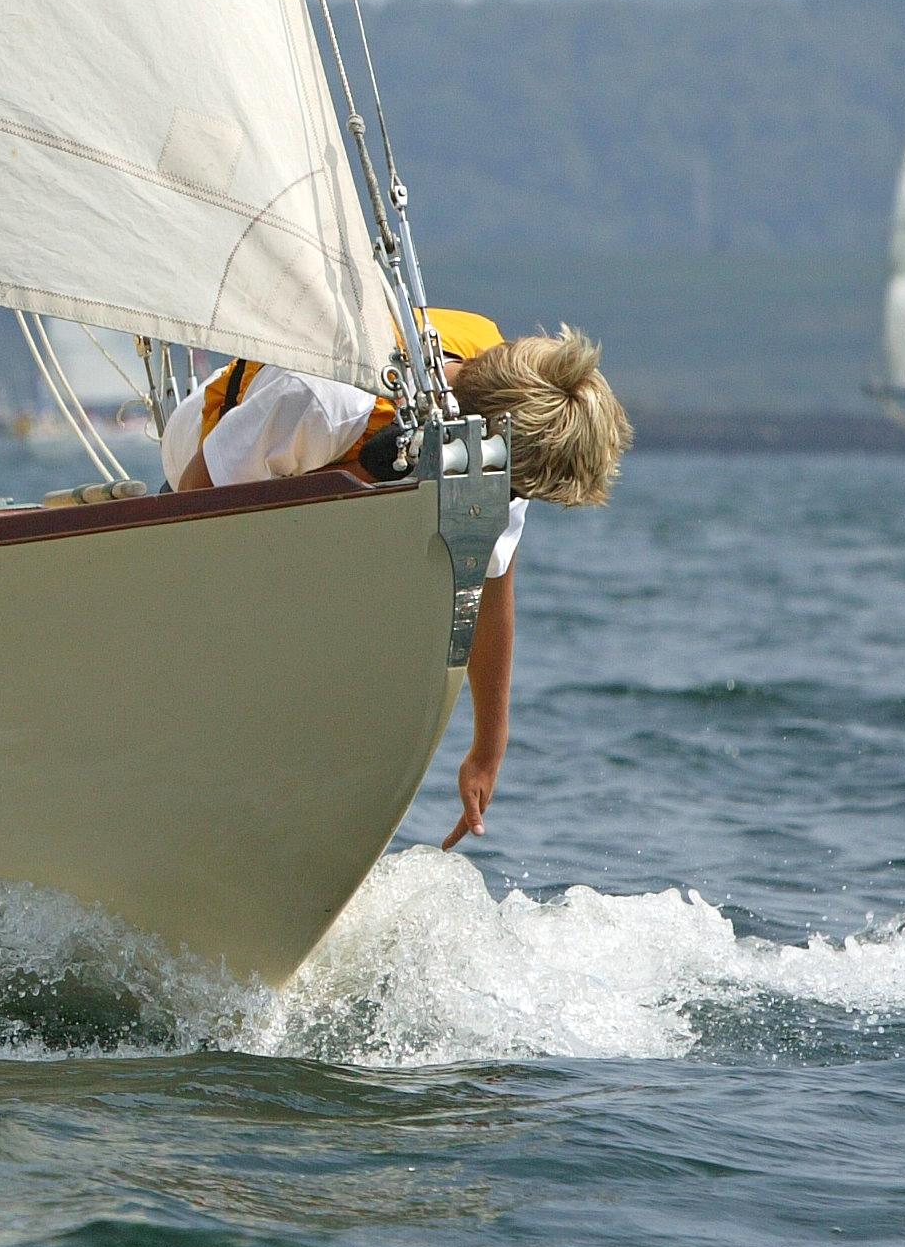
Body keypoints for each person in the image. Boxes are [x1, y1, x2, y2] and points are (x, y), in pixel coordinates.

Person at [159, 308, 632, 852]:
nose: (510, 501)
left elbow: (487, 579)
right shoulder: (327, 397)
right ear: (490, 441)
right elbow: (191, 509)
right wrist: (361, 480)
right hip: (214, 448)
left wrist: (488, 748)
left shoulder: (493, 452)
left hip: (329, 491)